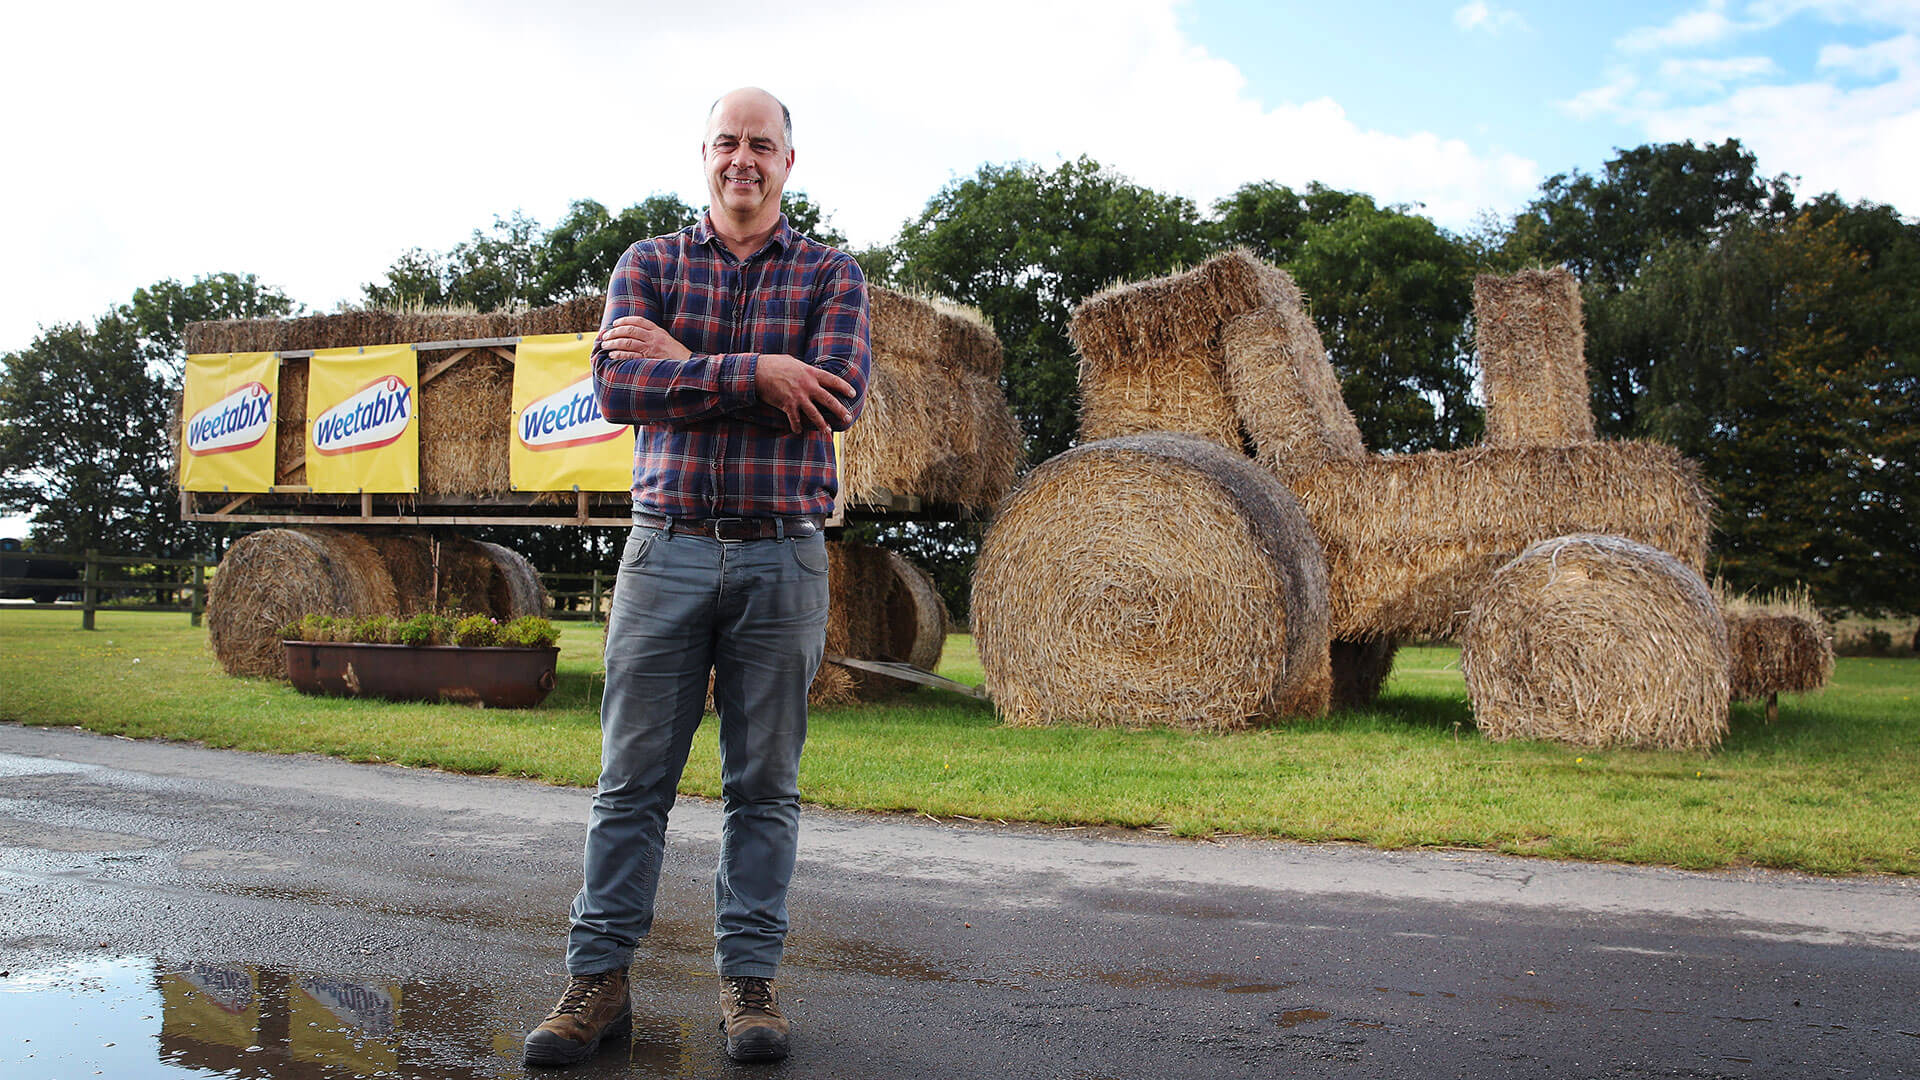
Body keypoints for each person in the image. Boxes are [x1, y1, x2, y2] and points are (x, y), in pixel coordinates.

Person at [523, 86, 870, 1068]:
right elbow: (622, 388)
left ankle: (749, 983)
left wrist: (697, 364)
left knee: (764, 783)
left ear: (788, 163)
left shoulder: (832, 277)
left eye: (763, 144)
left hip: (782, 551)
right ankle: (598, 982)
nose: (743, 159)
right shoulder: (649, 264)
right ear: (705, 154)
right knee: (631, 780)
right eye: (728, 141)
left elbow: (831, 401)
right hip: (663, 544)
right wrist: (761, 374)